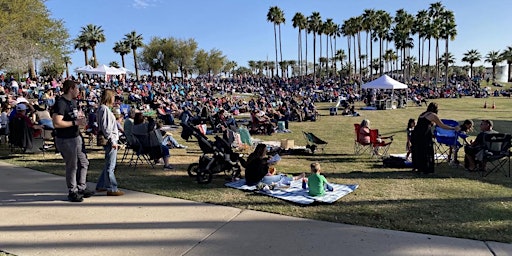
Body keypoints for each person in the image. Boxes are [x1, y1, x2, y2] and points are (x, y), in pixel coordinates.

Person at [52, 80, 93, 202]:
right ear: (70, 89)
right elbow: (57, 123)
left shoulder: (73, 102)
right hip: (66, 139)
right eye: (77, 89)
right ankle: (72, 191)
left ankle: (81, 187)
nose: (78, 91)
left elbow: (74, 119)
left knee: (84, 162)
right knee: (72, 165)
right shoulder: (61, 103)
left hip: (76, 137)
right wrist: (75, 122)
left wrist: (80, 121)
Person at [411, 102, 459, 174]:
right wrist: (453, 128)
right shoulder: (433, 115)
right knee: (426, 151)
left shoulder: (423, 114)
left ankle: (418, 167)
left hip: (416, 134)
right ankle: (426, 169)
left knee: (419, 150)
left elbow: (425, 124)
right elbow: (441, 125)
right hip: (424, 135)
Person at [95, 89, 124, 196]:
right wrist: (113, 141)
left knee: (108, 163)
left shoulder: (103, 109)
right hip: (111, 140)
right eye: (113, 97)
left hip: (111, 139)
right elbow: (107, 128)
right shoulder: (105, 109)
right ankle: (112, 188)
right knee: (111, 166)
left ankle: (101, 185)